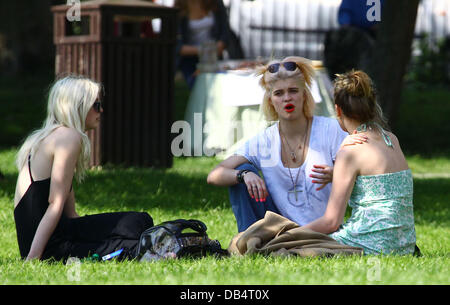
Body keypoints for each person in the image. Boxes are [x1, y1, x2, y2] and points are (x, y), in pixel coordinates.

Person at [207, 56, 367, 232]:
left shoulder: (331, 130)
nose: (287, 98)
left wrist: (337, 174)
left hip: (322, 228)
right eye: (279, 93)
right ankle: (249, 240)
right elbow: (215, 174)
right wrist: (243, 174)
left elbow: (370, 170)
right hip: (279, 230)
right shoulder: (264, 140)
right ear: (271, 101)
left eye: (293, 91)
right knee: (243, 171)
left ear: (305, 95)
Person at [13, 75, 154, 261]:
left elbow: (70, 214)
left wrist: (98, 233)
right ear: (78, 107)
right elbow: (55, 203)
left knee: (138, 222)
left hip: (58, 233)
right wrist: (33, 257)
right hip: (51, 246)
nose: (101, 110)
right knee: (137, 244)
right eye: (96, 105)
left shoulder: (52, 136)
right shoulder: (69, 138)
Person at [302, 70, 417, 255]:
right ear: (372, 105)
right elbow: (382, 185)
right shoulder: (392, 139)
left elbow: (331, 222)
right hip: (404, 245)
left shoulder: (350, 151)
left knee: (291, 246)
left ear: (338, 110)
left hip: (369, 245)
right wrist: (337, 174)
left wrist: (289, 234)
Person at [174, 0, 231, 89]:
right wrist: (205, 50)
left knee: (219, 85)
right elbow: (177, 46)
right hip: (189, 61)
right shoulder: (179, 7)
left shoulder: (216, 3)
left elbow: (225, 33)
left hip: (214, 58)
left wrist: (220, 45)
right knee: (197, 84)